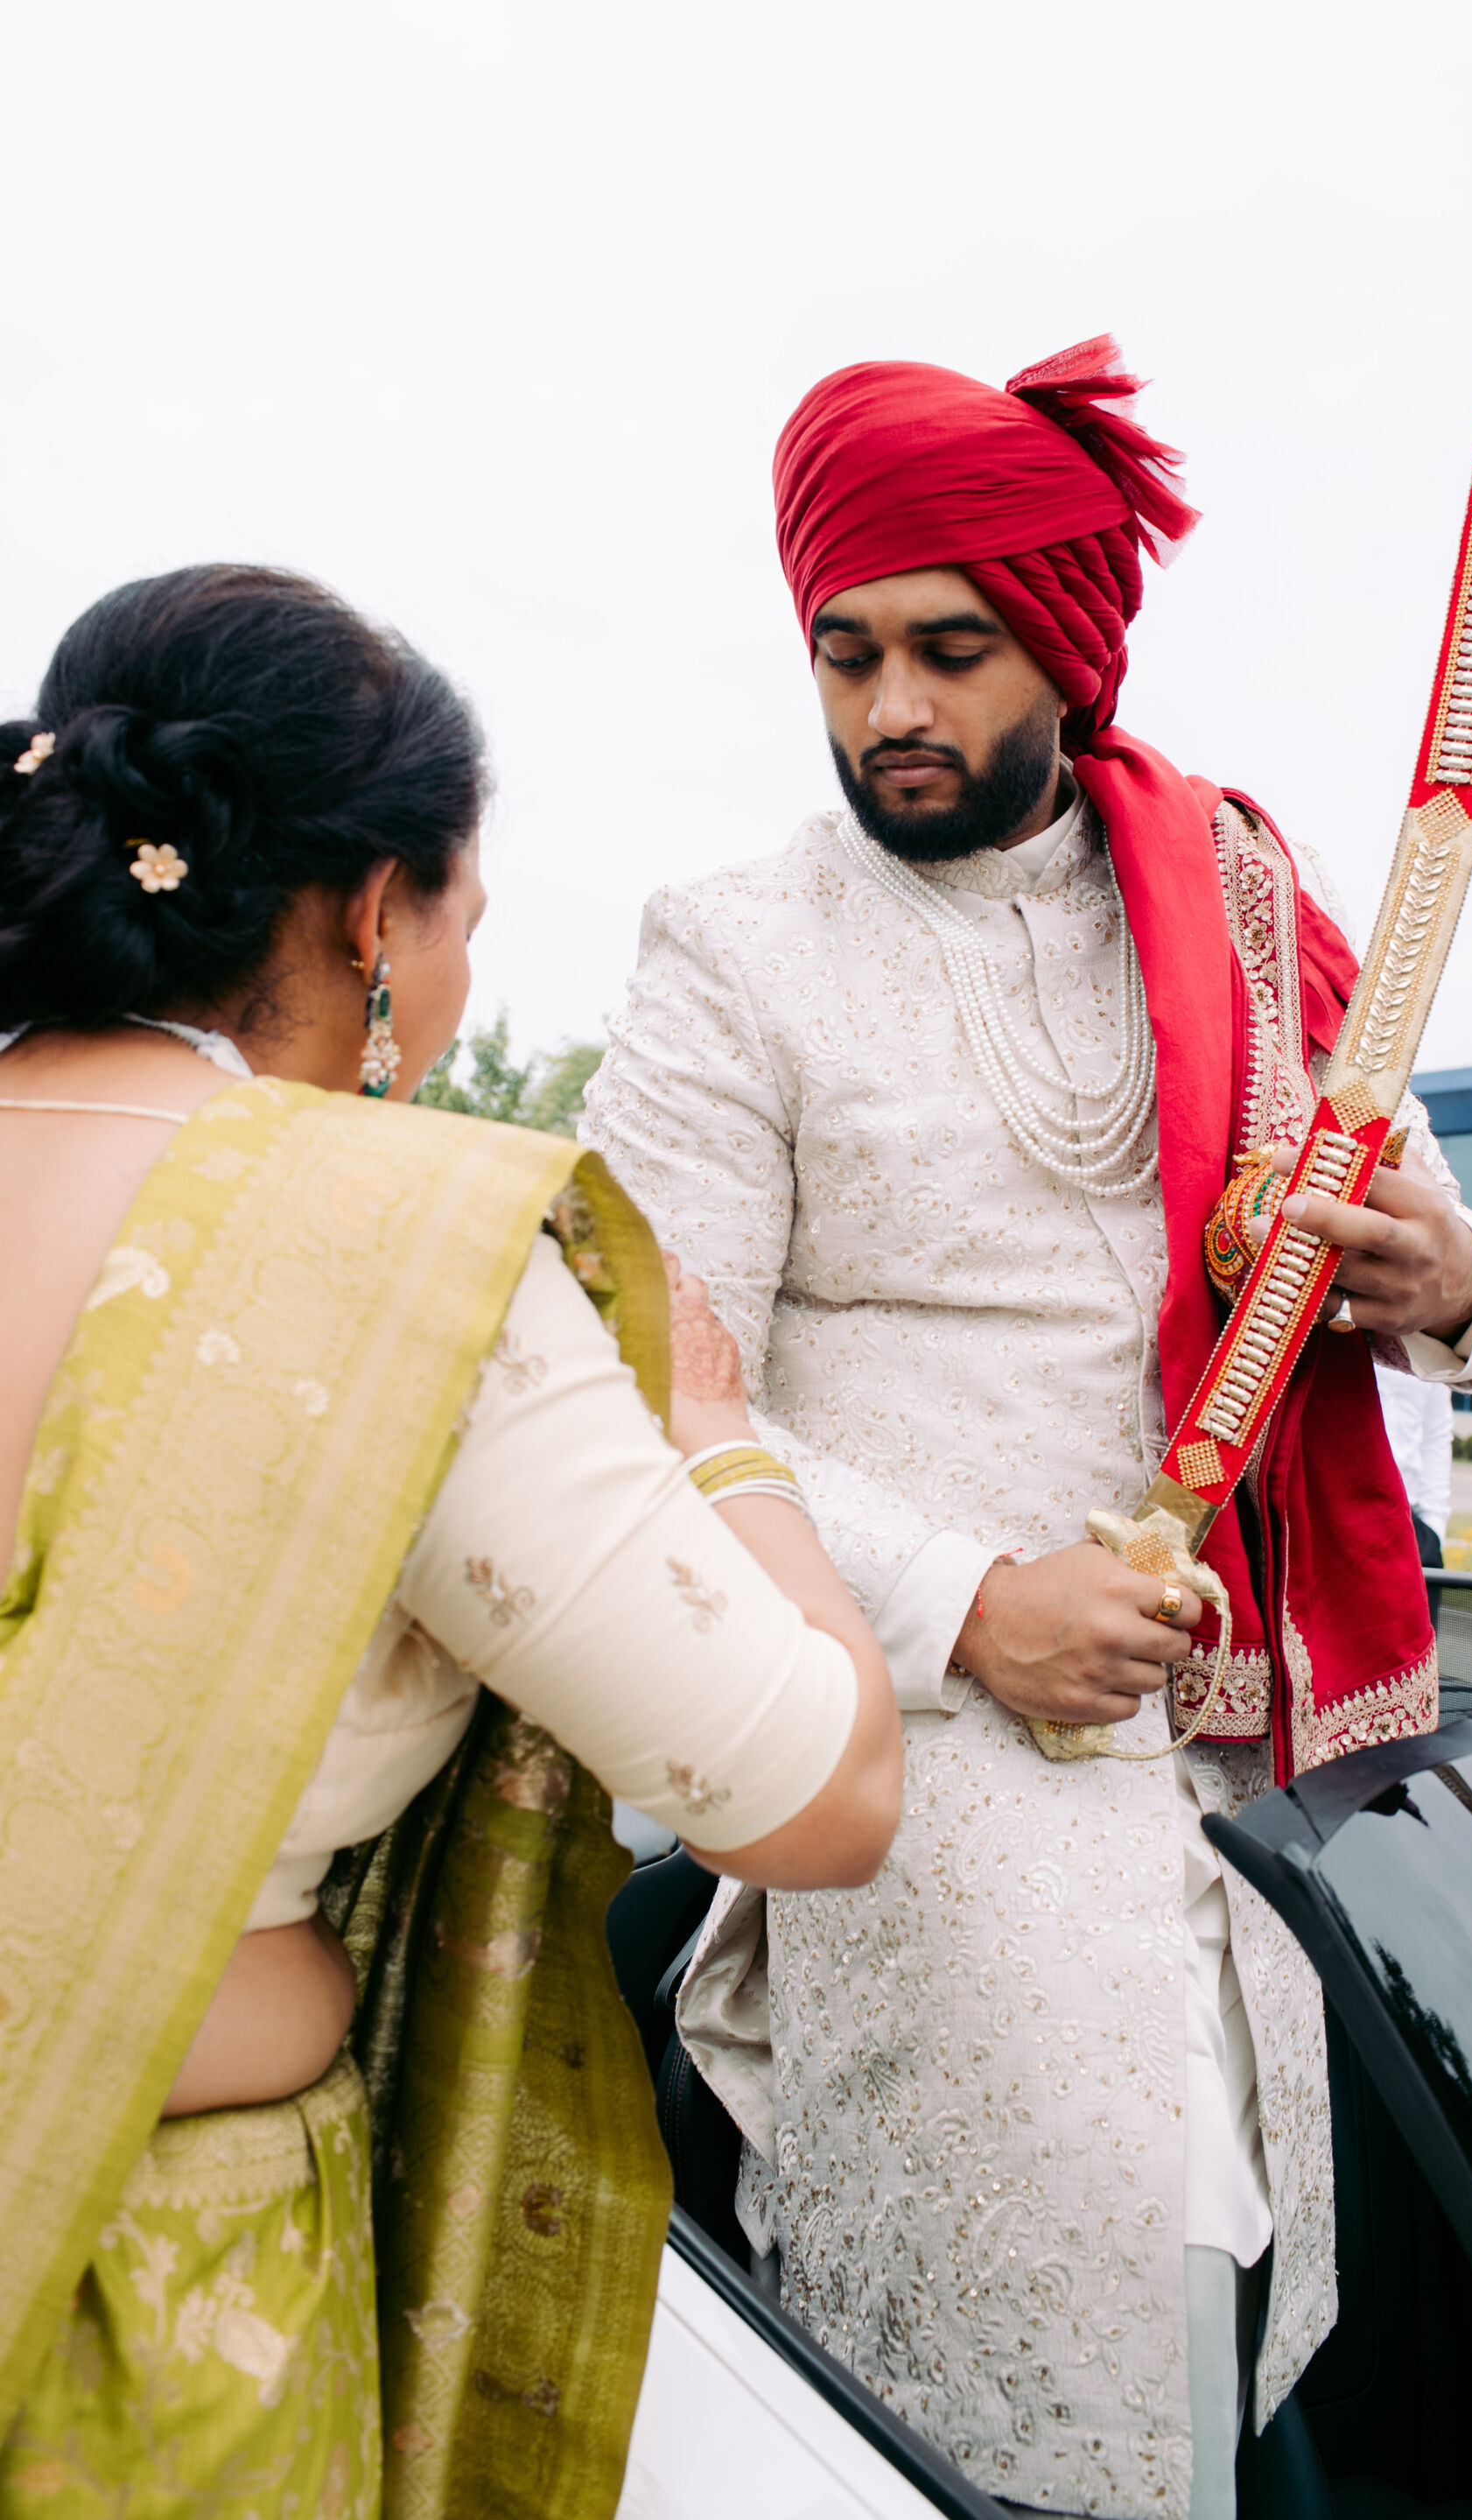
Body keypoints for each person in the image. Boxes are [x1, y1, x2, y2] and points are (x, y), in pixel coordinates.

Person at [581, 340, 1472, 2520]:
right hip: (925, 1744)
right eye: (846, 654)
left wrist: (1442, 1272)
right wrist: (969, 1602)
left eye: (950, 649)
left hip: (1266, 1758)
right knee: (1063, 2346)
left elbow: (1412, 1193)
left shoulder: (1242, 896)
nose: (890, 707)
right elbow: (637, 1386)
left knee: (1357, 2319)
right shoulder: (730, 951)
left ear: (1066, 648)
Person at [0, 565, 901, 2519]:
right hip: (129, 2307)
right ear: (374, 915)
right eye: (466, 920)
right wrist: (719, 1437)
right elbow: (819, 1794)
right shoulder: (384, 1252)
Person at [1373, 1363, 1454, 1569]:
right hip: (1345, 1514)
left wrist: (1434, 1528)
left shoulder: (1432, 1349)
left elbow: (1436, 1435)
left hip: (1412, 1523)